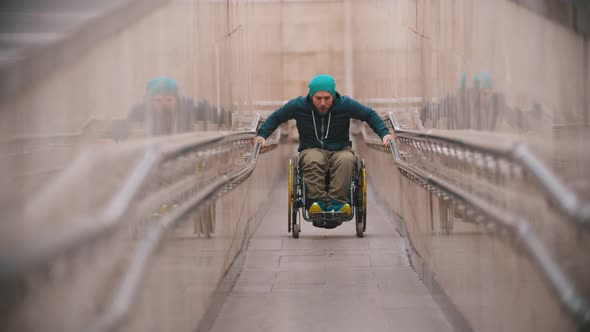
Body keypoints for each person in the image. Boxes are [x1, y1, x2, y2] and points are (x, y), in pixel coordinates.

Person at [253, 74, 395, 216]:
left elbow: (369, 115)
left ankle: (338, 203)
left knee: (346, 160)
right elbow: (277, 117)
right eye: (318, 98)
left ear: (333, 95)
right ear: (311, 95)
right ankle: (317, 204)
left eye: (327, 98)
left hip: (340, 149)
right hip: (311, 148)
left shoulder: (345, 105)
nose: (322, 103)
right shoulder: (298, 106)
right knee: (312, 159)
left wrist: (385, 134)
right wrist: (261, 135)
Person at [111, 77, 196, 140]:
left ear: (177, 100)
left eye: (169, 100)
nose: (164, 104)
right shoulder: (140, 111)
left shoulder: (187, 110)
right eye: (158, 100)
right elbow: (125, 125)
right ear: (150, 101)